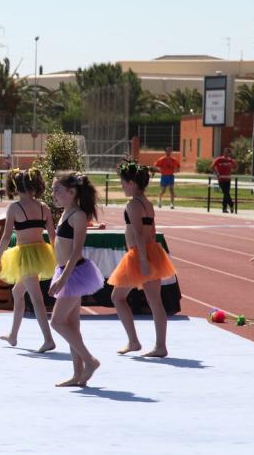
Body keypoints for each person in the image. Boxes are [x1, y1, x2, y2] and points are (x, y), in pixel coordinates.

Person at [109, 161, 176, 358]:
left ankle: (134, 341)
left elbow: (138, 233)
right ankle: (159, 345)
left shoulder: (132, 204)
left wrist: (144, 261)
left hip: (139, 255)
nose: (121, 186)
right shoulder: (147, 203)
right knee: (155, 302)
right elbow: (152, 232)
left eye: (123, 183)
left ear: (131, 183)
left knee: (117, 298)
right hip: (151, 252)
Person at [47, 173, 104, 387]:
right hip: (65, 271)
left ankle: (90, 361)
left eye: (57, 190)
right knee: (72, 325)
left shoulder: (78, 216)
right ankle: (78, 373)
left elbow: (76, 251)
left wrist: (63, 279)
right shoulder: (65, 213)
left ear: (72, 193)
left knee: (57, 322)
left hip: (74, 273)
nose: (54, 194)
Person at [0, 167, 57, 351]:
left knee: (37, 298)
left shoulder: (14, 207)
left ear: (15, 186)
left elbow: (6, 237)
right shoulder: (43, 206)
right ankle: (13, 335)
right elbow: (53, 236)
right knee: (17, 292)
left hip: (25, 255)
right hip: (41, 253)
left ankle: (48, 339)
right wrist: (57, 255)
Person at [211, 148, 237, 213]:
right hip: (221, 179)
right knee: (225, 192)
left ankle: (224, 209)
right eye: (227, 152)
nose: (227, 154)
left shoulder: (230, 160)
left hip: (228, 179)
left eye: (229, 153)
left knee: (226, 194)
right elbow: (212, 166)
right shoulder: (219, 159)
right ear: (224, 153)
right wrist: (217, 173)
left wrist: (232, 171)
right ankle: (231, 204)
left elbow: (236, 166)